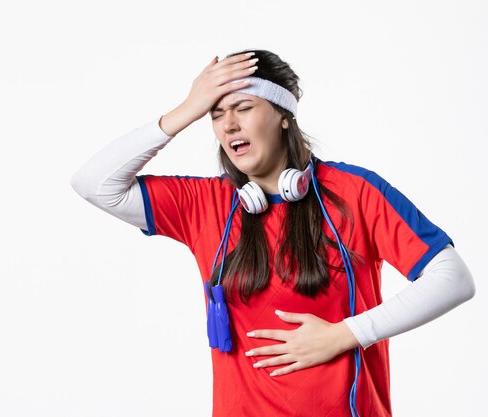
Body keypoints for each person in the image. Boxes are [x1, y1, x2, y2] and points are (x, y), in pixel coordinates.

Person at [71, 49, 475, 417]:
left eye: (243, 107)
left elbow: (453, 279)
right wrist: (186, 110)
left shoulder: (353, 193)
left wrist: (345, 335)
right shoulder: (204, 203)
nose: (228, 124)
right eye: (215, 114)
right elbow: (94, 183)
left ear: (284, 115)